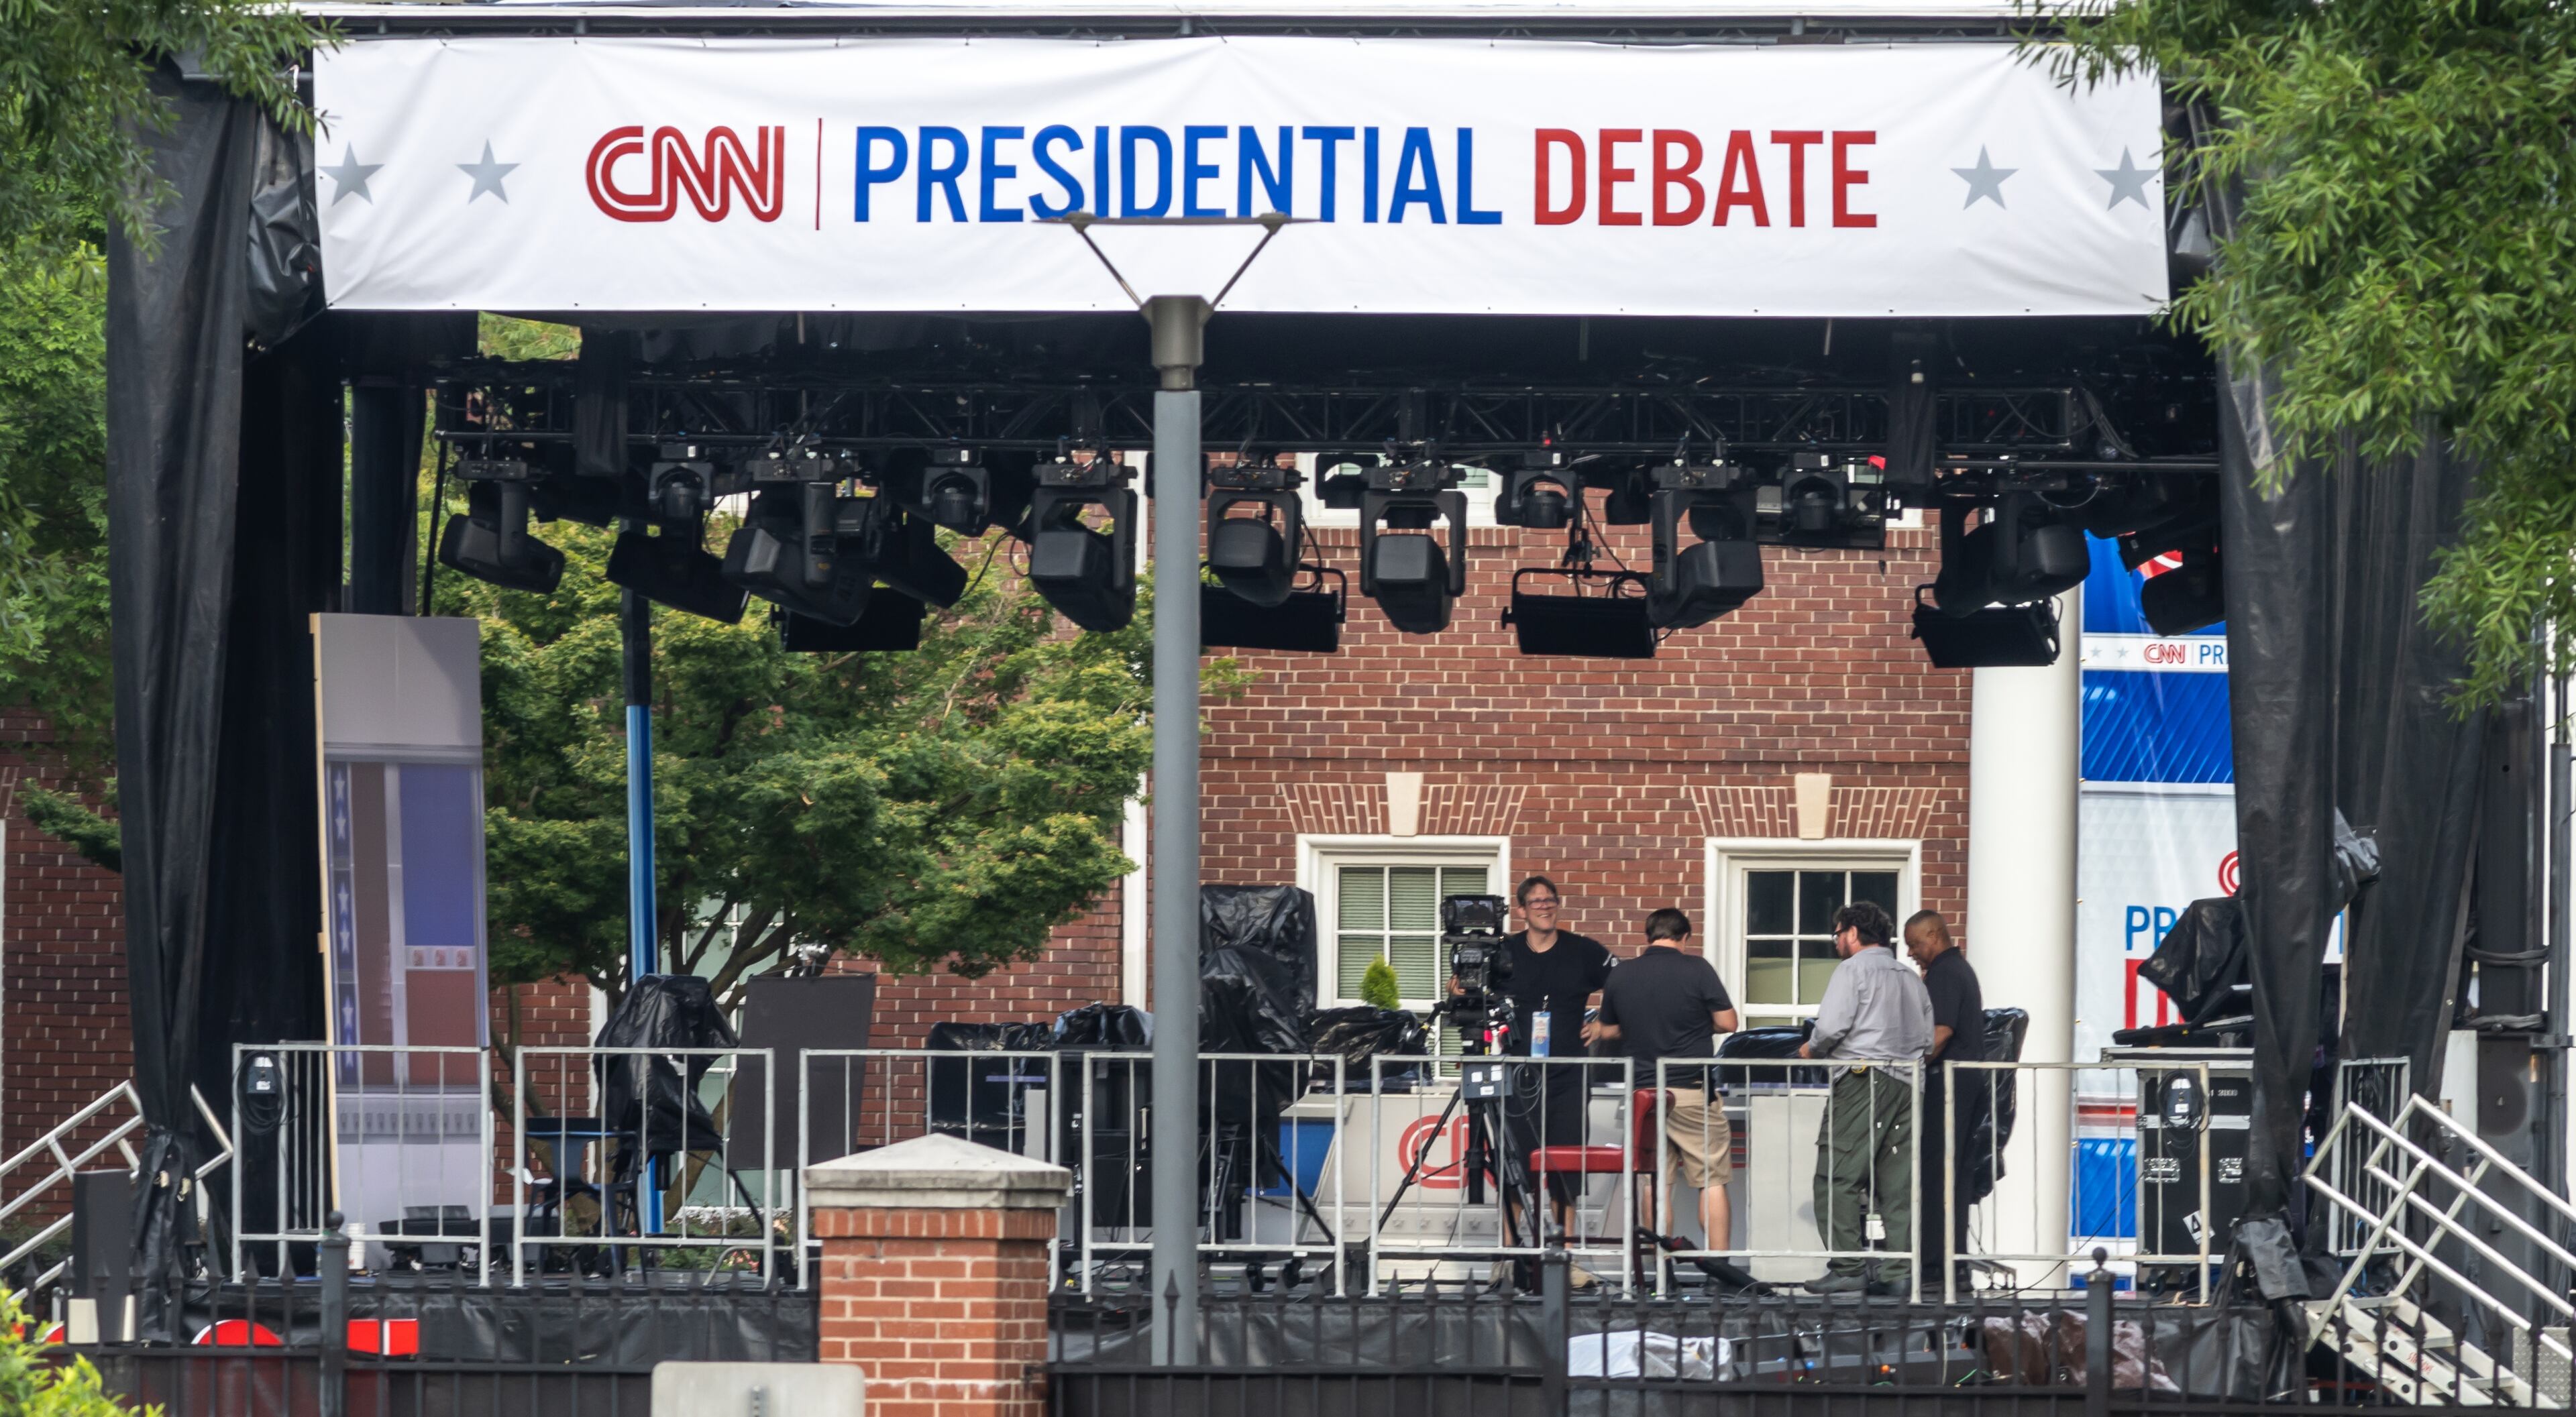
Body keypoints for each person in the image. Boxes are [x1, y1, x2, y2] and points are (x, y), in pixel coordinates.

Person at [1796, 900, 1933, 1296]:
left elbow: (1831, 1028)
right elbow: (1926, 1041)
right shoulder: (1910, 979)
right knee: (1897, 1182)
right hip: (1909, 1084)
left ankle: (1848, 1267)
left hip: (1862, 1079)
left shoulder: (1852, 970)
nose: (1837, 941)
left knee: (1835, 1175)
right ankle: (1897, 1273)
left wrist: (1810, 1049)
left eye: (1838, 934)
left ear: (1853, 933)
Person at [1595, 909, 1739, 1261]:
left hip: (1644, 1093)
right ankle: (1720, 1267)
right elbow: (1729, 1022)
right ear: (1684, 938)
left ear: (1648, 936)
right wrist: (1699, 1025)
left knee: (1654, 1183)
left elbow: (1608, 1028)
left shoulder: (1623, 973)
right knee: (1712, 1179)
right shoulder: (1697, 969)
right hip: (1690, 1090)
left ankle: (1659, 1270)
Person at [1478, 875, 1615, 1243]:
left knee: (1567, 1167)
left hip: (1569, 1073)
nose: (1545, 906)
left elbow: (1625, 985)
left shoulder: (1583, 950)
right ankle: (1508, 1257)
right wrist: (1458, 984)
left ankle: (1564, 1255)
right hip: (1518, 1071)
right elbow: (1465, 989)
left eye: (1550, 900)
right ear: (1522, 910)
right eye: (1536, 901)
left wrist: (1606, 1025)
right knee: (1514, 1164)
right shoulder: (1503, 951)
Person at [1904, 909, 1985, 1290]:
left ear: (1934, 936)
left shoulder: (1945, 974)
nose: (1912, 953)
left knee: (1938, 1173)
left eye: (1915, 944)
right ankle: (1952, 1263)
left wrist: (1909, 1065)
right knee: (1954, 1173)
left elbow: (1940, 1032)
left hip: (1950, 1087)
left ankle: (1937, 1265)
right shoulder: (1959, 970)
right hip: (1966, 1086)